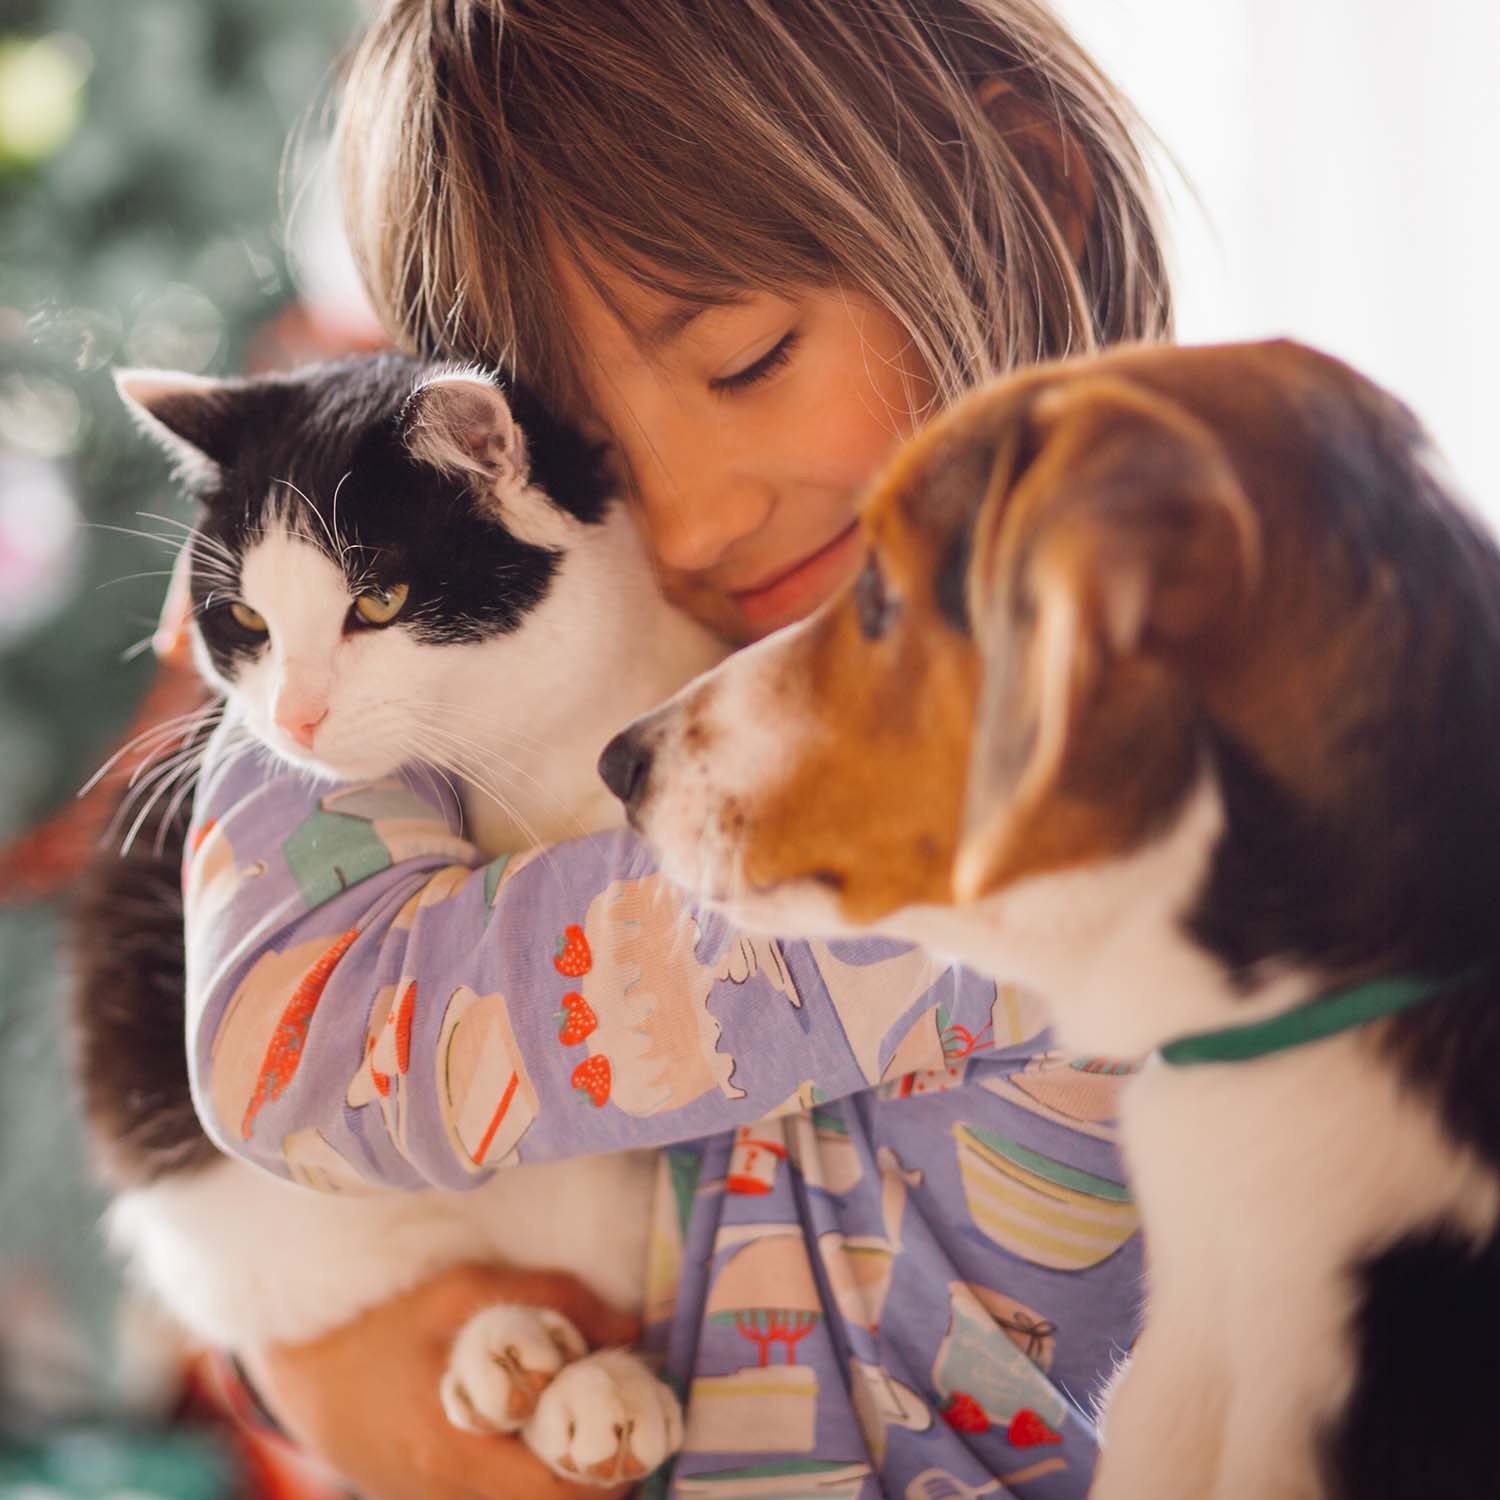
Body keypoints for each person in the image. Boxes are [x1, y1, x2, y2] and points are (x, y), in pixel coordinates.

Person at [191, 2, 1174, 1496]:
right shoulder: (503, 625)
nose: (696, 516)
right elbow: (287, 1038)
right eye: (575, 436)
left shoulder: (1217, 701)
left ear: (1031, 185)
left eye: (748, 359)